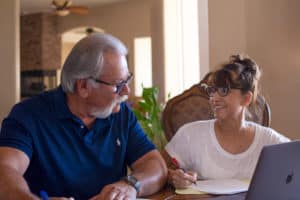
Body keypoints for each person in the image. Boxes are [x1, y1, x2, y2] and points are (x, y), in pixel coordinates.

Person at [0, 33, 167, 199]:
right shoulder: (28, 115)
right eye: (118, 84)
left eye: (127, 80)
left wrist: (131, 185)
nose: (126, 91)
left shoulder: (121, 114)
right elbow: (5, 170)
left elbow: (156, 166)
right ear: (83, 86)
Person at [163, 54, 290, 189]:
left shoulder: (268, 140)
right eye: (213, 90)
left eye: (224, 90)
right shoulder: (190, 134)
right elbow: (159, 168)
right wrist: (175, 177)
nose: (214, 98)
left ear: (246, 99)